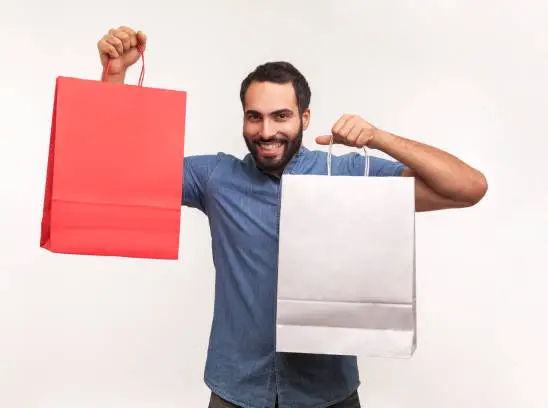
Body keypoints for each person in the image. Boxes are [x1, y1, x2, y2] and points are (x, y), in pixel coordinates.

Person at [96, 26, 488, 408]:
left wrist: (379, 138)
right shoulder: (216, 178)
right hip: (236, 391)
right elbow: (120, 172)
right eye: (255, 117)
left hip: (327, 395)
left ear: (305, 117)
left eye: (281, 116)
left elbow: (468, 188)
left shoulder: (348, 174)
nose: (267, 131)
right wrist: (116, 77)